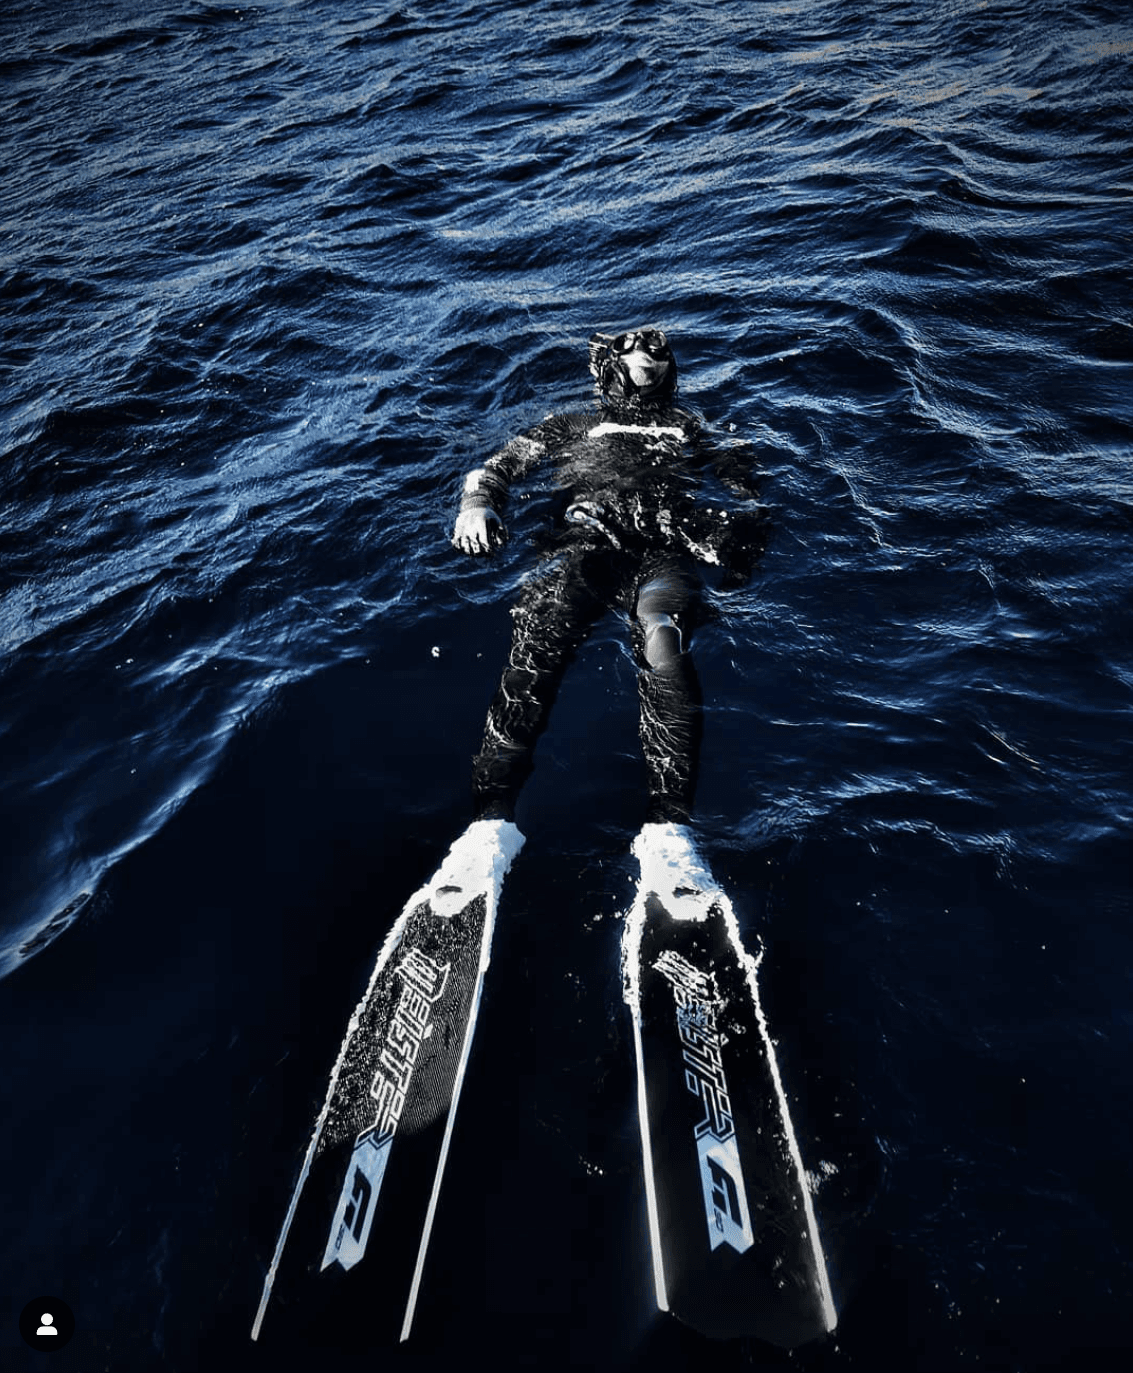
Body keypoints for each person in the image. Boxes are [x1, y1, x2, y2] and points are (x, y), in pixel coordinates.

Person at [451, 326, 768, 834]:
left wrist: (742, 539)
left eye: (657, 345)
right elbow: (499, 466)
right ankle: (490, 818)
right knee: (538, 644)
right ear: (606, 366)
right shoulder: (571, 424)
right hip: (582, 547)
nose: (645, 350)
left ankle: (669, 824)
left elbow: (747, 488)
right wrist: (477, 503)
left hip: (664, 554)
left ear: (670, 367)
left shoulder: (691, 426)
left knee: (663, 635)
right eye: (630, 344)